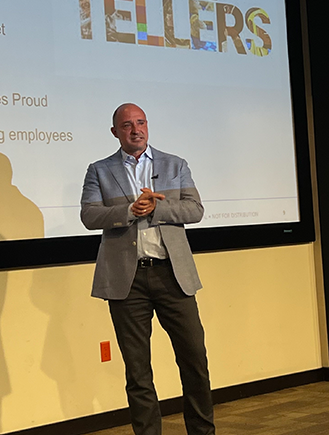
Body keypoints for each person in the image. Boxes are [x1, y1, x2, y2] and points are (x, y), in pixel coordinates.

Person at [80, 103, 215, 435]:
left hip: (173, 276)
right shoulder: (99, 170)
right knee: (138, 371)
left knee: (195, 361)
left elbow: (195, 210)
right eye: (127, 125)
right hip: (128, 282)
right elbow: (89, 215)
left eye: (140, 122)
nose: (135, 129)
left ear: (148, 126)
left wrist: (156, 208)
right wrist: (129, 210)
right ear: (115, 132)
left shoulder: (174, 165)